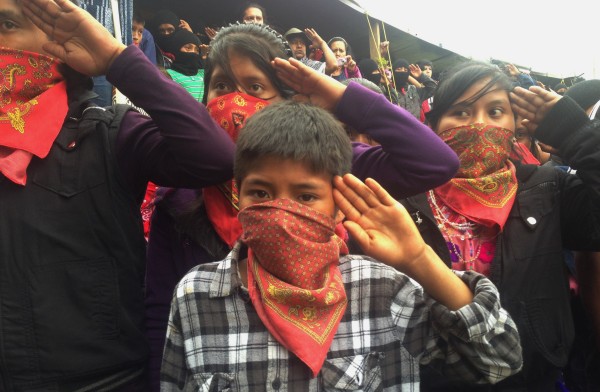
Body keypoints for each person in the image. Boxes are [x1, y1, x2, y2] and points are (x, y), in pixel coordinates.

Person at [144, 22, 460, 391]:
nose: (235, 102)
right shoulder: (181, 198)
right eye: (222, 87)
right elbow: (161, 321)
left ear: (289, 99)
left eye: (256, 87)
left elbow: (436, 161)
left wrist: (342, 97)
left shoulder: (331, 166)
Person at [160, 98, 523, 390]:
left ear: (337, 205)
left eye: (305, 196)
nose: (283, 210)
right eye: (261, 192)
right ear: (238, 196)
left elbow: (497, 360)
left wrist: (418, 258)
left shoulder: (383, 289)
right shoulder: (197, 295)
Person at [0, 0, 236, 390]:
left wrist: (115, 59)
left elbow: (213, 157)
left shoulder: (107, 133)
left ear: (56, 41)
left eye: (7, 24)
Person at [396, 61, 600, 391]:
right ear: (433, 126)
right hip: (433, 377)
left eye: (494, 112)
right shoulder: (402, 199)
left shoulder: (548, 188)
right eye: (461, 113)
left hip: (533, 377)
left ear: (515, 124)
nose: (479, 125)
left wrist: (575, 134)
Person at [162, 29, 205, 102]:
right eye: (188, 48)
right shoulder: (168, 75)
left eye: (196, 50)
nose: (193, 52)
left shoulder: (201, 73)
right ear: (176, 49)